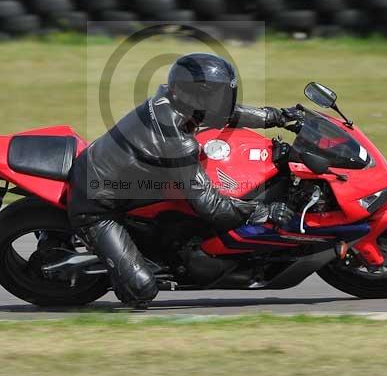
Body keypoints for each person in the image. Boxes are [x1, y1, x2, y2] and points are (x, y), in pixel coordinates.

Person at [68, 53, 295, 307]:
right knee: (141, 292)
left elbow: (225, 114)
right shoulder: (176, 139)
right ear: (195, 96)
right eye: (216, 96)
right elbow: (211, 207)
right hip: (96, 204)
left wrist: (277, 116)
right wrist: (262, 212)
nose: (222, 102)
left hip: (123, 177)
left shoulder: (172, 100)